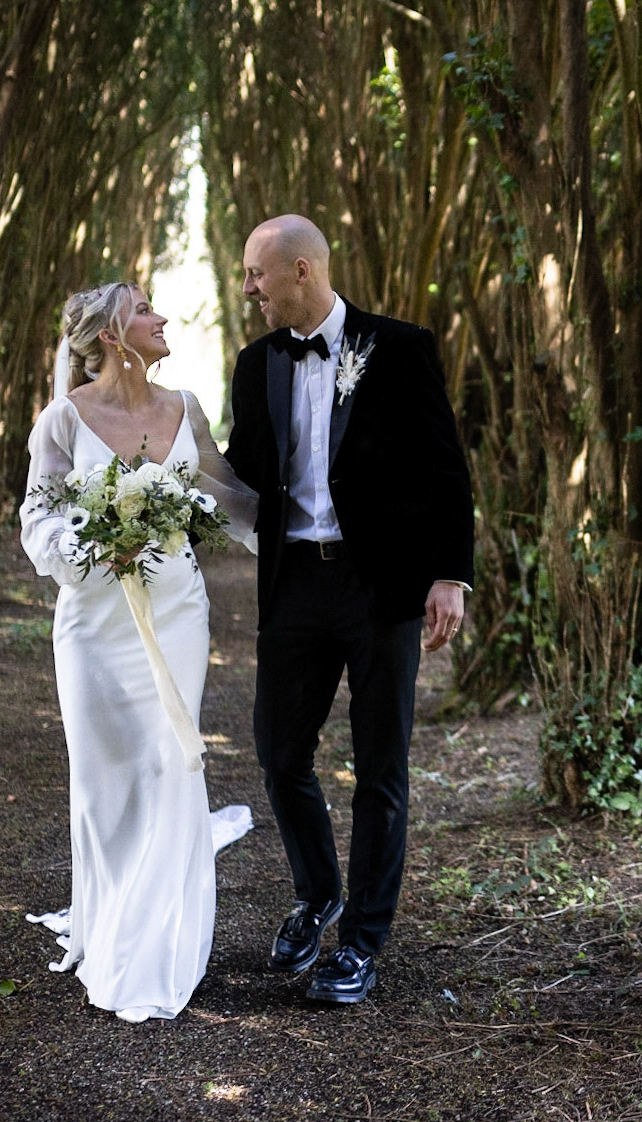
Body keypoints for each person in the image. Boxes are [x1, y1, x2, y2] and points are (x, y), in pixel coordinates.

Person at [224, 214, 475, 1004]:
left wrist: (448, 575)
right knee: (278, 753)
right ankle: (318, 892)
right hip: (295, 583)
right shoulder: (253, 363)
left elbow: (446, 471)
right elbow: (242, 469)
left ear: (302, 271)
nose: (249, 289)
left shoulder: (399, 348)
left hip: (382, 588)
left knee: (381, 769)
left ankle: (361, 941)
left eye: (257, 274)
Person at [18, 282, 258, 1022]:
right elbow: (38, 517)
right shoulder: (62, 420)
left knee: (168, 759)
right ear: (116, 334)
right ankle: (111, 916)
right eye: (149, 309)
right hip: (94, 621)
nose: (164, 317)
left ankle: (159, 945)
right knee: (105, 775)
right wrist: (92, 539)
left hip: (177, 610)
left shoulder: (186, 409)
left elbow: (238, 501)